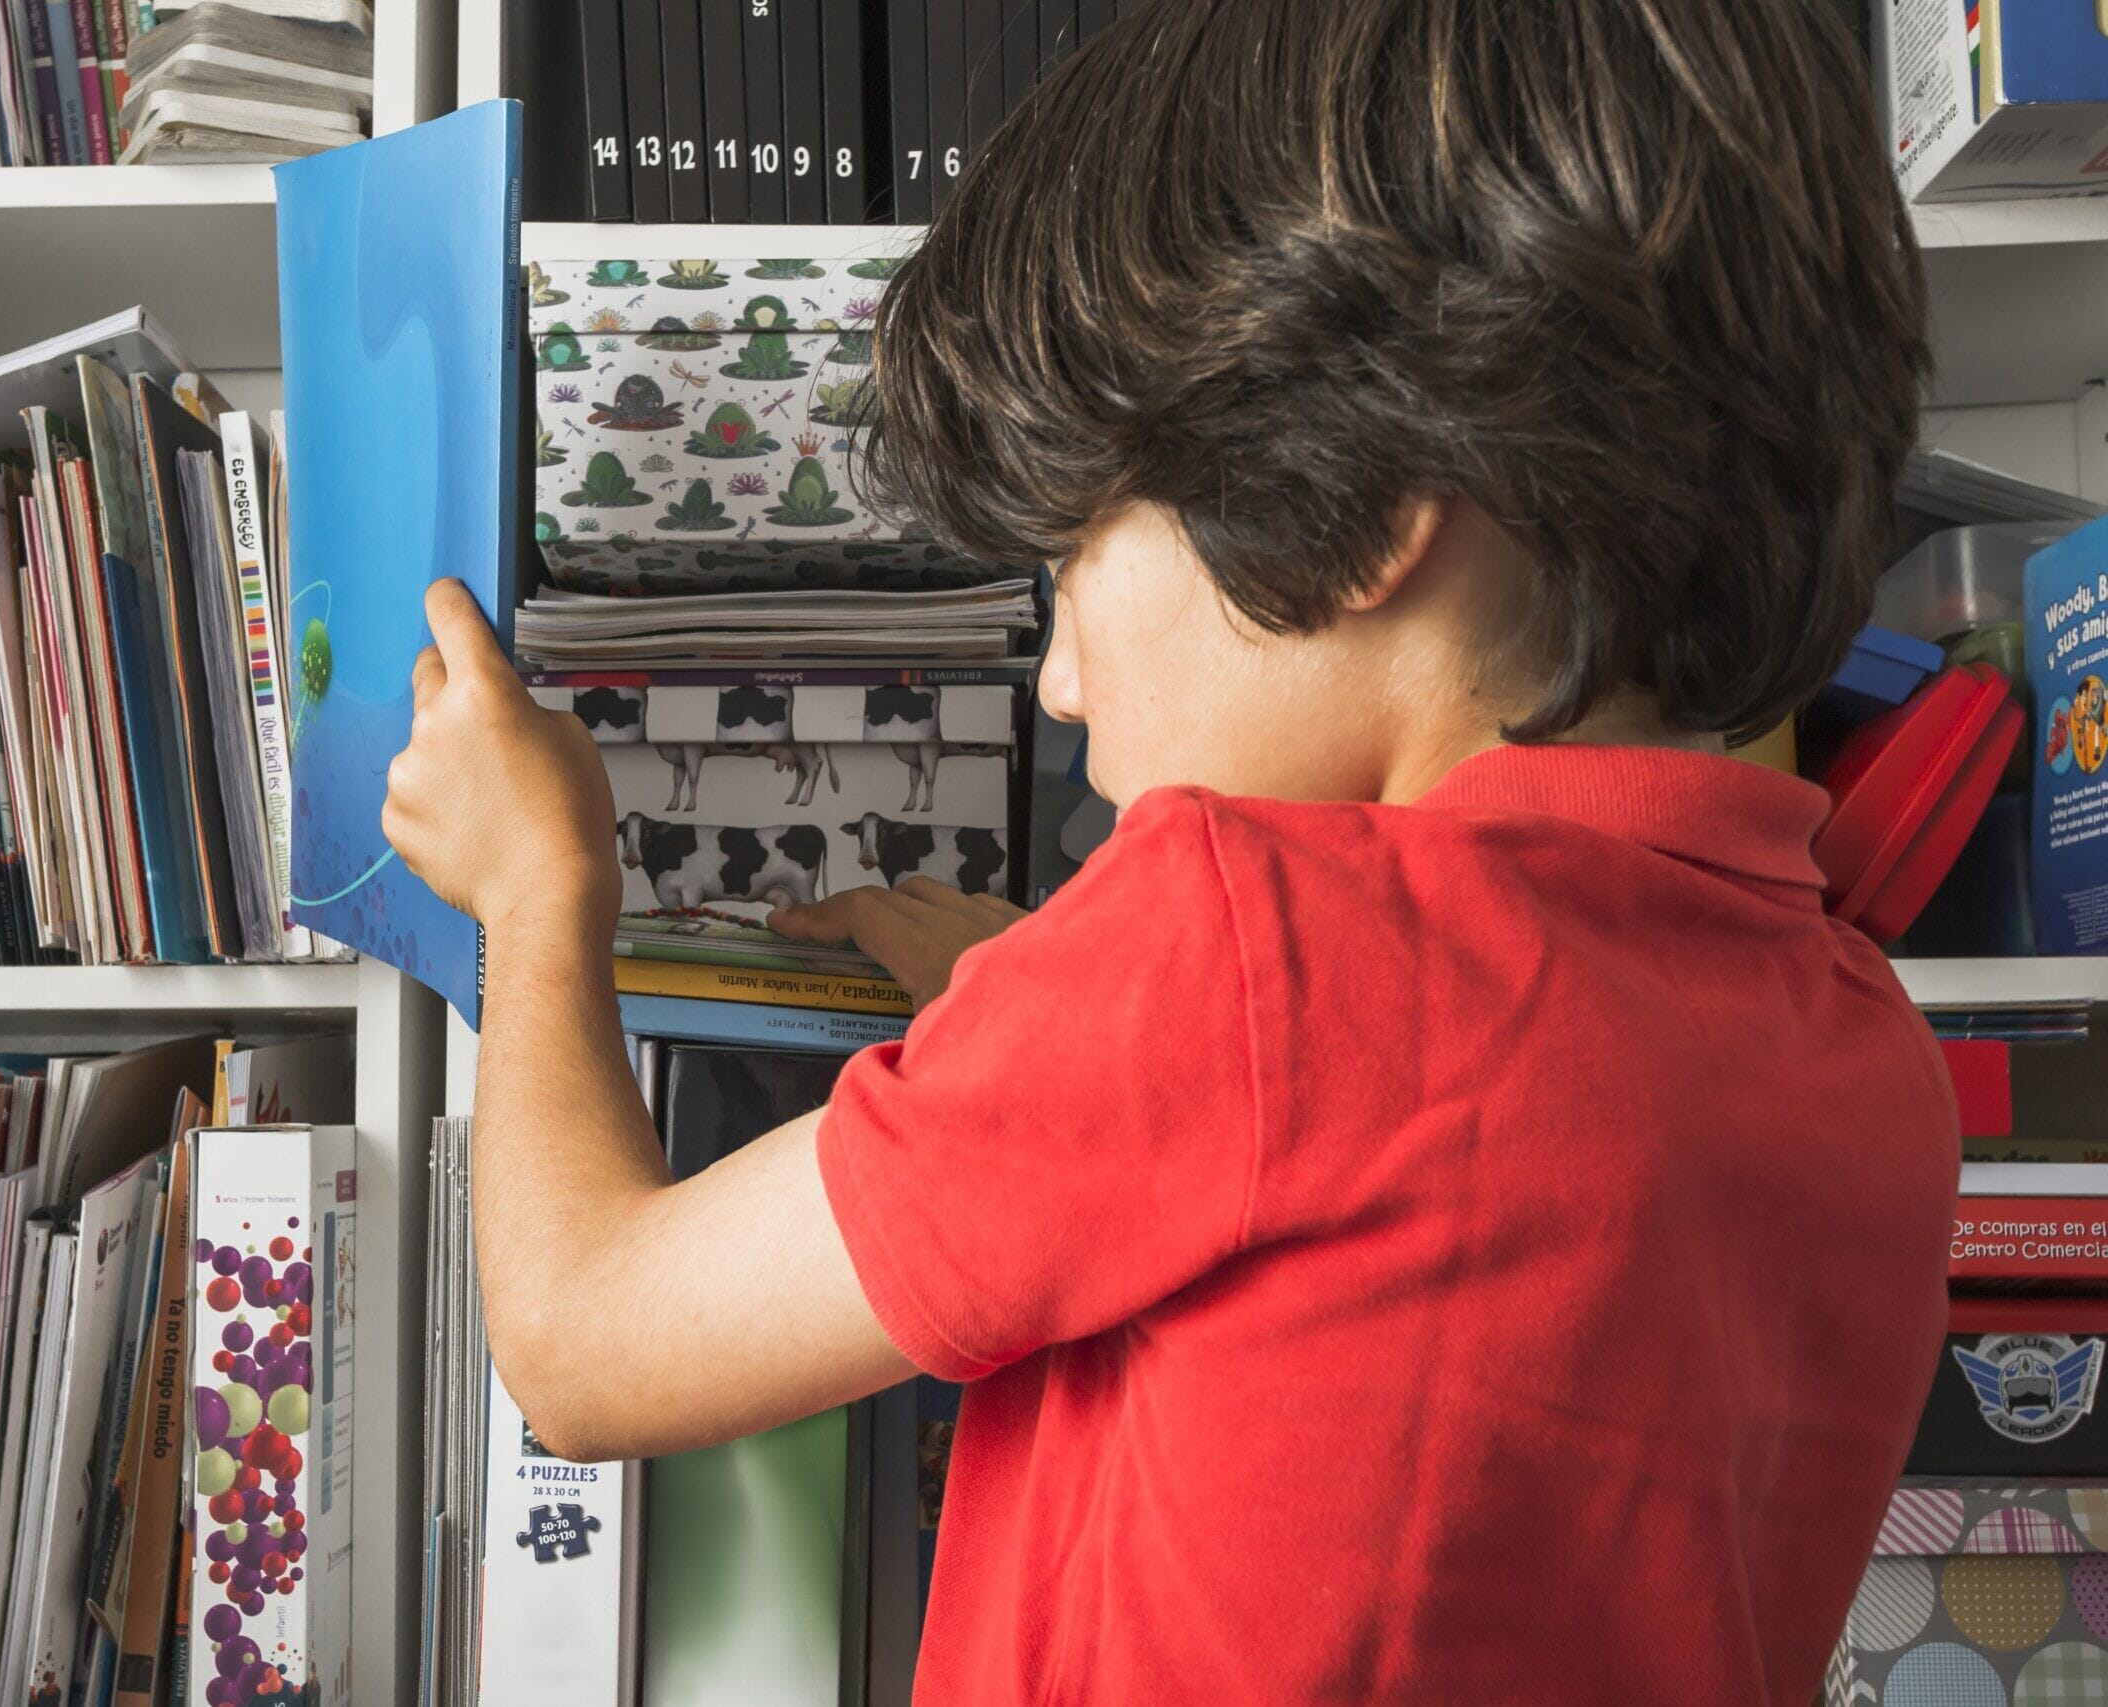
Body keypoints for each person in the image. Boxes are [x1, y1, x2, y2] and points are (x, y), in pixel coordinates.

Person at [378, 0, 1954, 1698]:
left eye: (1069, 553)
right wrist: (1019, 987)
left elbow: (583, 1344)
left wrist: (541, 889)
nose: (1056, 675)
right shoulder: (1867, 1056)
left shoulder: (1237, 946)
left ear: (1346, 509)